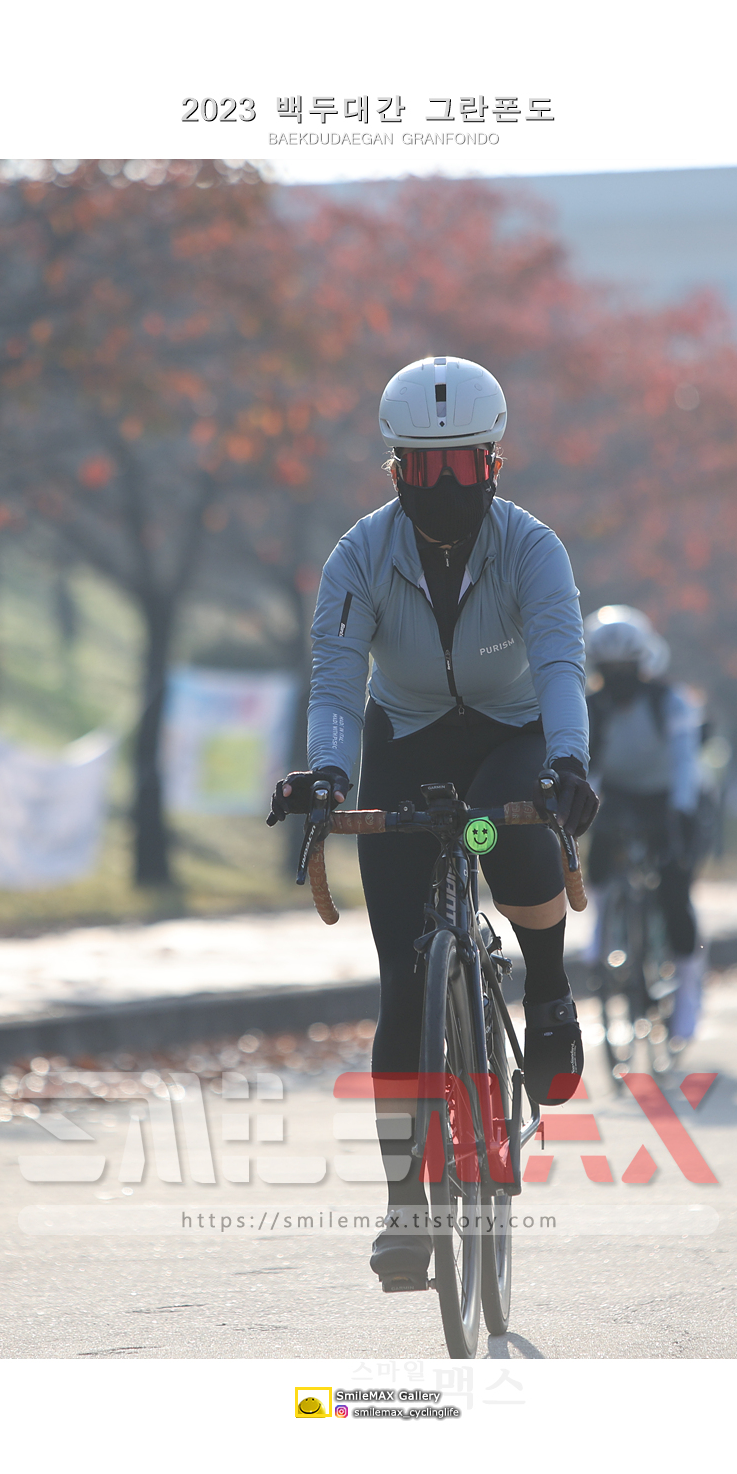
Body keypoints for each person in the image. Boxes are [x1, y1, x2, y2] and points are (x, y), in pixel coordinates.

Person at [269, 356, 597, 1290]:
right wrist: (329, 776)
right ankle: (404, 1206)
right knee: (403, 987)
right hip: (405, 741)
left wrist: (569, 763)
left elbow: (561, 665)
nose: (442, 487)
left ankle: (546, 984)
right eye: (422, 468)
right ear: (395, 470)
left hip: (510, 737)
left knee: (510, 834)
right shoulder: (358, 556)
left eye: (460, 468)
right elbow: (338, 683)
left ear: (494, 465)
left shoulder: (533, 548)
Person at [581, 605, 706, 1045]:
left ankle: (687, 989)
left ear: (643, 664)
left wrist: (681, 813)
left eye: (625, 669)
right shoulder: (592, 707)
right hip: (619, 793)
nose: (617, 678)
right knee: (599, 847)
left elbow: (685, 761)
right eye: (608, 669)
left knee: (673, 889)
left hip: (669, 796)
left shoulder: (669, 701)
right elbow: (589, 764)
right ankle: (601, 924)